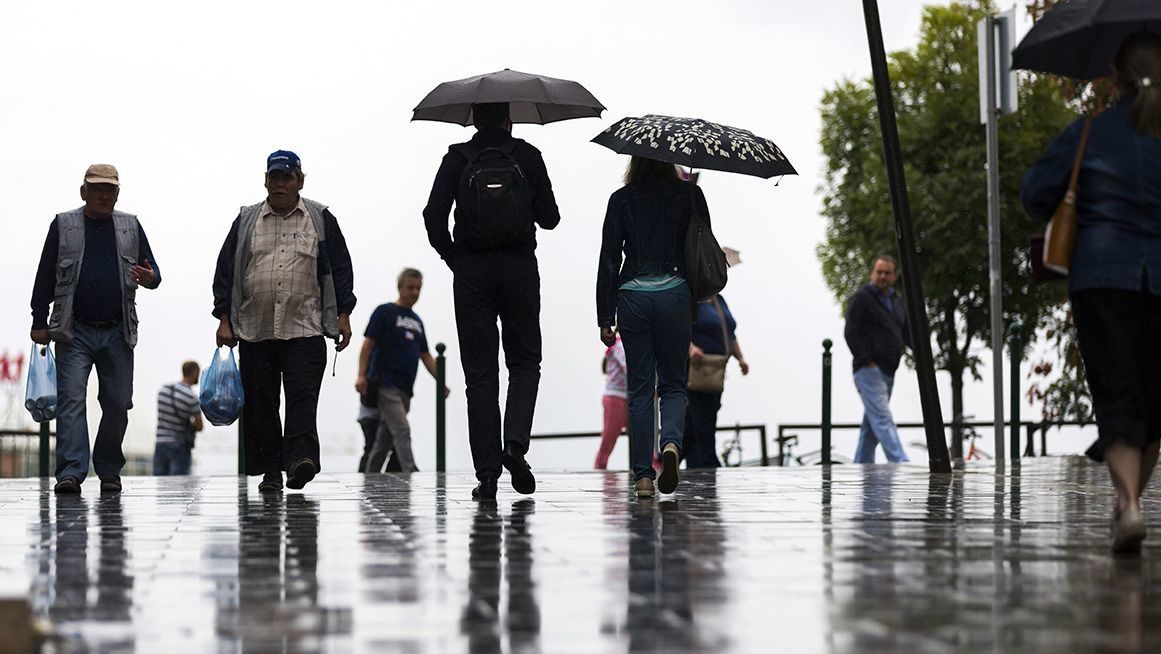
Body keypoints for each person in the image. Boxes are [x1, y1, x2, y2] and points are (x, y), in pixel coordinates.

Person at [1021, 33, 1161, 554]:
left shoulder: (1089, 134)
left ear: (1116, 77)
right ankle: (1130, 505)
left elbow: (1035, 196)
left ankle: (1128, 506)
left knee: (1119, 394)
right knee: (1153, 403)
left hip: (1103, 280)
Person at [423, 102, 560, 500]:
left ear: (473, 119)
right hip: (519, 268)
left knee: (479, 375)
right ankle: (514, 446)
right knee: (524, 361)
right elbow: (550, 218)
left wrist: (455, 259)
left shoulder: (456, 158)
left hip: (472, 274)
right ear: (509, 119)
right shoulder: (528, 155)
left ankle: (487, 475)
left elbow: (433, 216)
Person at [212, 150, 355, 493]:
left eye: (287, 178)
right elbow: (225, 270)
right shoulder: (246, 219)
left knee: (302, 399)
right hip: (255, 327)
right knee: (262, 403)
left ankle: (300, 461)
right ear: (265, 180)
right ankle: (271, 471)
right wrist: (223, 318)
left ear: (300, 181)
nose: (280, 184)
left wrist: (344, 315)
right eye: (274, 177)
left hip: (304, 326)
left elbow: (340, 268)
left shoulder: (319, 217)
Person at [30, 164, 161, 494]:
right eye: (97, 188)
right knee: (71, 400)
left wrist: (151, 278)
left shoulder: (131, 226)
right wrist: (38, 320)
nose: (104, 194)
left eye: (110, 189)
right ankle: (71, 472)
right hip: (73, 331)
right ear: (83, 192)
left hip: (118, 331)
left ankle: (108, 468)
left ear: (118, 193)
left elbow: (154, 272)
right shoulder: (64, 224)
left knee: (118, 402)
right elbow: (45, 273)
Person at [596, 156, 704, 498]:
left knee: (640, 388)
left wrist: (604, 316)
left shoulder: (620, 199)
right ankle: (670, 443)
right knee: (673, 383)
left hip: (633, 297)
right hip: (675, 293)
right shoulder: (690, 195)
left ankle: (643, 475)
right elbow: (701, 245)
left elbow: (609, 257)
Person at [355, 268, 448, 473]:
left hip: (406, 388)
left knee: (384, 438)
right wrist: (361, 375)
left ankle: (370, 475)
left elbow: (425, 355)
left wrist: (441, 382)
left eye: (418, 288)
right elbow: (367, 344)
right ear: (400, 287)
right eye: (410, 287)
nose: (414, 292)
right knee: (402, 429)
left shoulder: (417, 322)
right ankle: (411, 470)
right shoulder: (385, 312)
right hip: (385, 383)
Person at [844, 255, 911, 464]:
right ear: (872, 273)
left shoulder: (897, 301)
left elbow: (906, 331)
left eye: (887, 273)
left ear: (894, 275)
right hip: (869, 370)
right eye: (879, 272)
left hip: (890, 370)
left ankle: (862, 463)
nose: (882, 276)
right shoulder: (862, 298)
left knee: (872, 425)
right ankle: (900, 461)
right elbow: (851, 331)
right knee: (882, 418)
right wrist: (866, 360)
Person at [684, 294, 750, 468]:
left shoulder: (719, 300)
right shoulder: (693, 300)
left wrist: (740, 358)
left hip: (717, 368)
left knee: (701, 416)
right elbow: (679, 328)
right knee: (701, 415)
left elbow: (730, 333)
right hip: (698, 368)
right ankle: (709, 461)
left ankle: (670, 456)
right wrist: (691, 348)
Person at [153, 360, 203, 475]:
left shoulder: (163, 391)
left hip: (160, 443)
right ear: (194, 372)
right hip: (179, 445)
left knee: (160, 483)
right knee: (179, 487)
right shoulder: (191, 397)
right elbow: (200, 426)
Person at [593, 335, 628, 469]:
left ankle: (654, 464)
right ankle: (600, 467)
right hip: (616, 397)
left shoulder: (621, 344)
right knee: (609, 439)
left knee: (643, 434)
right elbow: (628, 368)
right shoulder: (619, 345)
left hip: (625, 396)